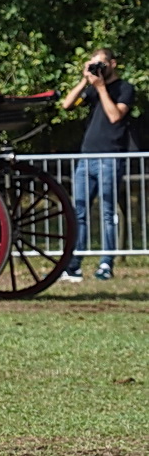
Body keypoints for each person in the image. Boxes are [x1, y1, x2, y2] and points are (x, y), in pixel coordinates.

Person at [59, 48, 134, 282]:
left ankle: (105, 264)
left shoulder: (125, 88)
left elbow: (115, 116)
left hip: (110, 157)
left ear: (113, 63)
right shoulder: (92, 88)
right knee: (78, 211)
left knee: (107, 212)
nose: (97, 69)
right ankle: (74, 265)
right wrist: (85, 80)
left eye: (101, 64)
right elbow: (67, 105)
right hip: (86, 157)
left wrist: (101, 87)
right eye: (93, 64)